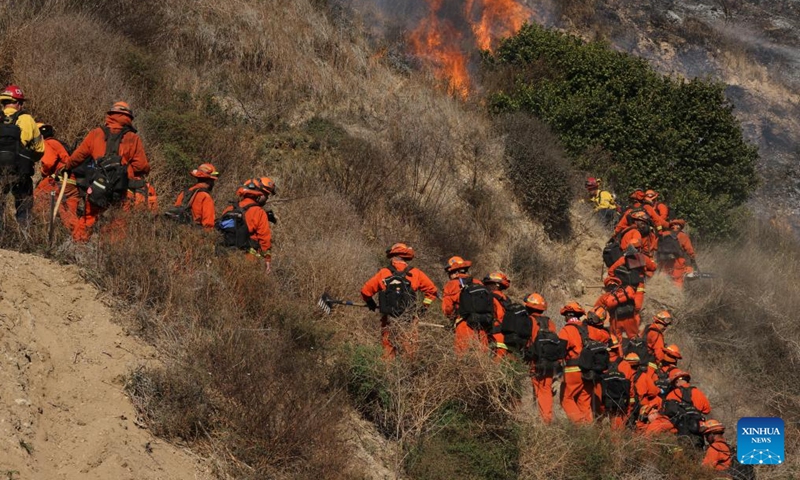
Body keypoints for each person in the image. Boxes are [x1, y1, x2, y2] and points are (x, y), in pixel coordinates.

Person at [63, 101, 150, 242]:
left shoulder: (96, 134)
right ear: (129, 117)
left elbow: (78, 157)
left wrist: (67, 166)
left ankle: (78, 246)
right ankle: (108, 251)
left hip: (98, 184)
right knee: (118, 221)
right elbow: (141, 166)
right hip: (122, 188)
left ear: (110, 115)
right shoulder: (133, 138)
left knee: (88, 217)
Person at [360, 243, 437, 360]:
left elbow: (365, 291)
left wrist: (370, 302)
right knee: (410, 354)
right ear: (405, 257)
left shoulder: (383, 273)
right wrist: (424, 307)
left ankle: (387, 375)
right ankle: (408, 375)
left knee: (387, 353)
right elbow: (432, 291)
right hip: (409, 320)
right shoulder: (416, 273)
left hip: (389, 320)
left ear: (393, 256)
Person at [0, 84, 44, 228]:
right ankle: (23, 238)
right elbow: (39, 149)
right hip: (20, 172)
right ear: (18, 103)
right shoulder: (27, 119)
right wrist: (29, 159)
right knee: (23, 207)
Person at [559, 303, 609, 423]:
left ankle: (580, 425)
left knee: (566, 399)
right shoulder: (591, 330)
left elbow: (559, 352)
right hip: (589, 371)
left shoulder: (566, 330)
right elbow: (605, 336)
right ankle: (588, 431)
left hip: (573, 370)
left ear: (567, 316)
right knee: (584, 401)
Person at [218, 177, 277, 271]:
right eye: (266, 195)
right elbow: (265, 239)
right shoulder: (259, 212)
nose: (266, 198)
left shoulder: (229, 209)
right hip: (249, 260)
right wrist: (267, 260)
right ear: (259, 194)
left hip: (225, 257)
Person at [33, 123, 78, 232]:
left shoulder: (47, 143)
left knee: (37, 197)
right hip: (72, 182)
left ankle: (40, 230)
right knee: (70, 214)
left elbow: (48, 163)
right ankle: (79, 238)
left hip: (58, 179)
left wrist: (43, 172)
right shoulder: (57, 143)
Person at [441, 256, 489, 355]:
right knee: (481, 358)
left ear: (454, 272)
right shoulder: (479, 283)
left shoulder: (451, 285)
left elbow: (447, 309)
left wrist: (452, 319)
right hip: (482, 325)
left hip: (464, 324)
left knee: (462, 356)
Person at [523, 293, 559, 424]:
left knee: (539, 389)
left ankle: (542, 420)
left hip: (535, 361)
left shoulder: (529, 321)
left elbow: (527, 341)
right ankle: (545, 418)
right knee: (546, 389)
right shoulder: (551, 323)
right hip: (550, 362)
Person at [607, 239, 656, 310]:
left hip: (625, 285)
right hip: (639, 284)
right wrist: (651, 260)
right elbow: (653, 267)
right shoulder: (643, 258)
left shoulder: (623, 259)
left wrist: (614, 280)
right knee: (638, 306)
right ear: (639, 248)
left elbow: (611, 271)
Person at [170, 163, 218, 229]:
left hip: (179, 231)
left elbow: (176, 211)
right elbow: (208, 224)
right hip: (195, 234)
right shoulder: (205, 197)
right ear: (210, 181)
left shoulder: (184, 193)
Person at [594, 276, 641, 340]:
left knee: (616, 340)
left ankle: (619, 348)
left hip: (615, 320)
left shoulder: (605, 297)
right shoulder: (628, 289)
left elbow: (596, 309)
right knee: (634, 338)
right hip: (630, 317)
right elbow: (638, 300)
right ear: (618, 283)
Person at [658, 219, 697, 288]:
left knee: (663, 280)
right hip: (678, 262)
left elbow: (655, 246)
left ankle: (662, 295)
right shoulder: (683, 236)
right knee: (677, 282)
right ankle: (676, 296)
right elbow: (689, 250)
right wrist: (693, 260)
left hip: (664, 262)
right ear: (681, 227)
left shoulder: (664, 234)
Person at [484, 271, 513, 360]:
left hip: (494, 336)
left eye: (489, 284)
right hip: (507, 338)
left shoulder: (489, 298)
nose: (487, 286)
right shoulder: (506, 299)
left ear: (496, 284)